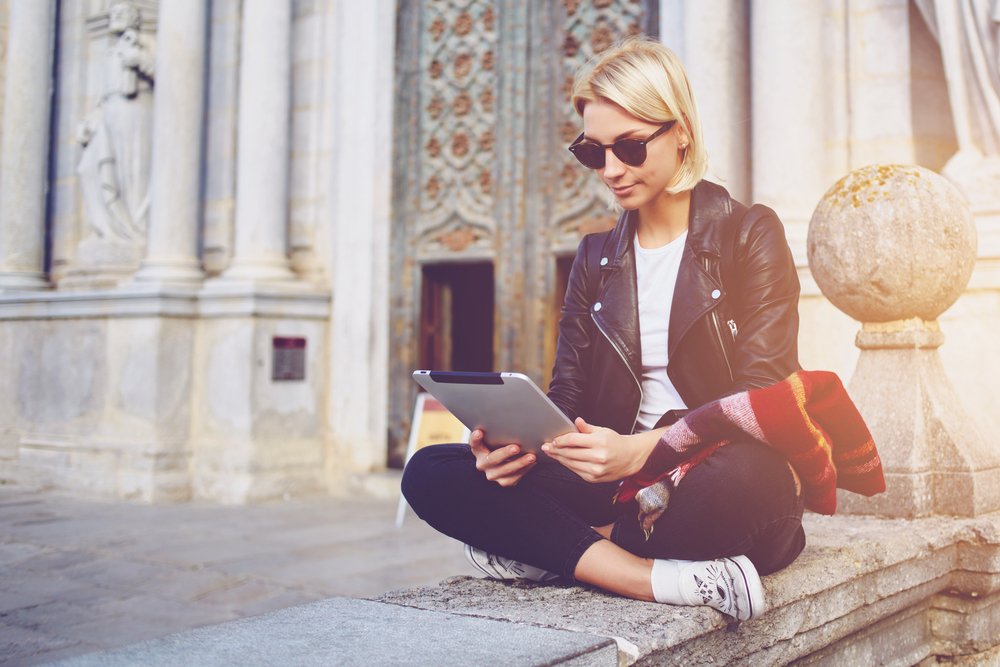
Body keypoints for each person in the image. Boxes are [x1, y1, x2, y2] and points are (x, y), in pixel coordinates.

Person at [401, 35, 804, 622]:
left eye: (632, 148)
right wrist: (514, 447)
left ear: (681, 132)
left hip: (706, 475)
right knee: (432, 471)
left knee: (756, 477)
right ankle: (648, 576)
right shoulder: (596, 257)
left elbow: (759, 399)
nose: (611, 171)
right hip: (611, 482)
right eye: (594, 153)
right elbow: (565, 394)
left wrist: (642, 449)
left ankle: (557, 548)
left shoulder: (748, 235)